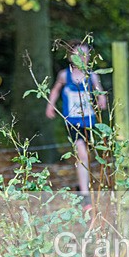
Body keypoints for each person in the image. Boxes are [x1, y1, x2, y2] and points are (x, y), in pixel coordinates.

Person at [46, 41, 107, 207]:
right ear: (70, 57)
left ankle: (82, 185)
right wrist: (50, 105)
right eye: (78, 54)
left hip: (89, 121)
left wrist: (101, 98)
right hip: (72, 122)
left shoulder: (92, 76)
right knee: (81, 152)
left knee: (86, 155)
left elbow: (100, 90)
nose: (82, 58)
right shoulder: (64, 76)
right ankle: (85, 195)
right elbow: (55, 90)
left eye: (85, 55)